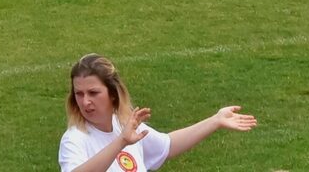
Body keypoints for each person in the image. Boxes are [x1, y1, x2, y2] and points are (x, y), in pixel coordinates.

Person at [57, 53, 257, 171]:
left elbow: (167, 146)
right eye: (79, 94)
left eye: (93, 93)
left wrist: (215, 120)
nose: (85, 101)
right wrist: (121, 143)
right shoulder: (75, 139)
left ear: (113, 94)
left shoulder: (124, 125)